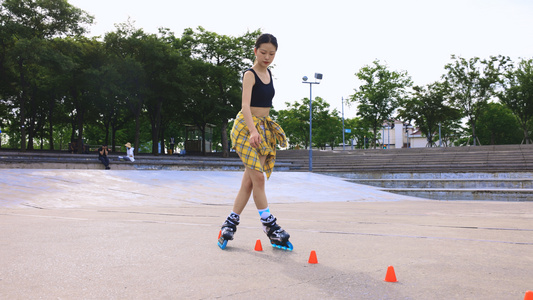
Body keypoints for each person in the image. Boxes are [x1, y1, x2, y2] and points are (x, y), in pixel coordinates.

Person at [218, 33, 292, 250]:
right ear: (255, 51)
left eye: (272, 53)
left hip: (262, 128)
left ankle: (229, 224)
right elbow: (245, 106)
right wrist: (252, 130)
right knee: (258, 178)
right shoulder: (250, 75)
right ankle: (270, 225)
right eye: (263, 52)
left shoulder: (269, 74)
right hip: (245, 129)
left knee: (250, 181)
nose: (267, 57)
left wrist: (259, 129)